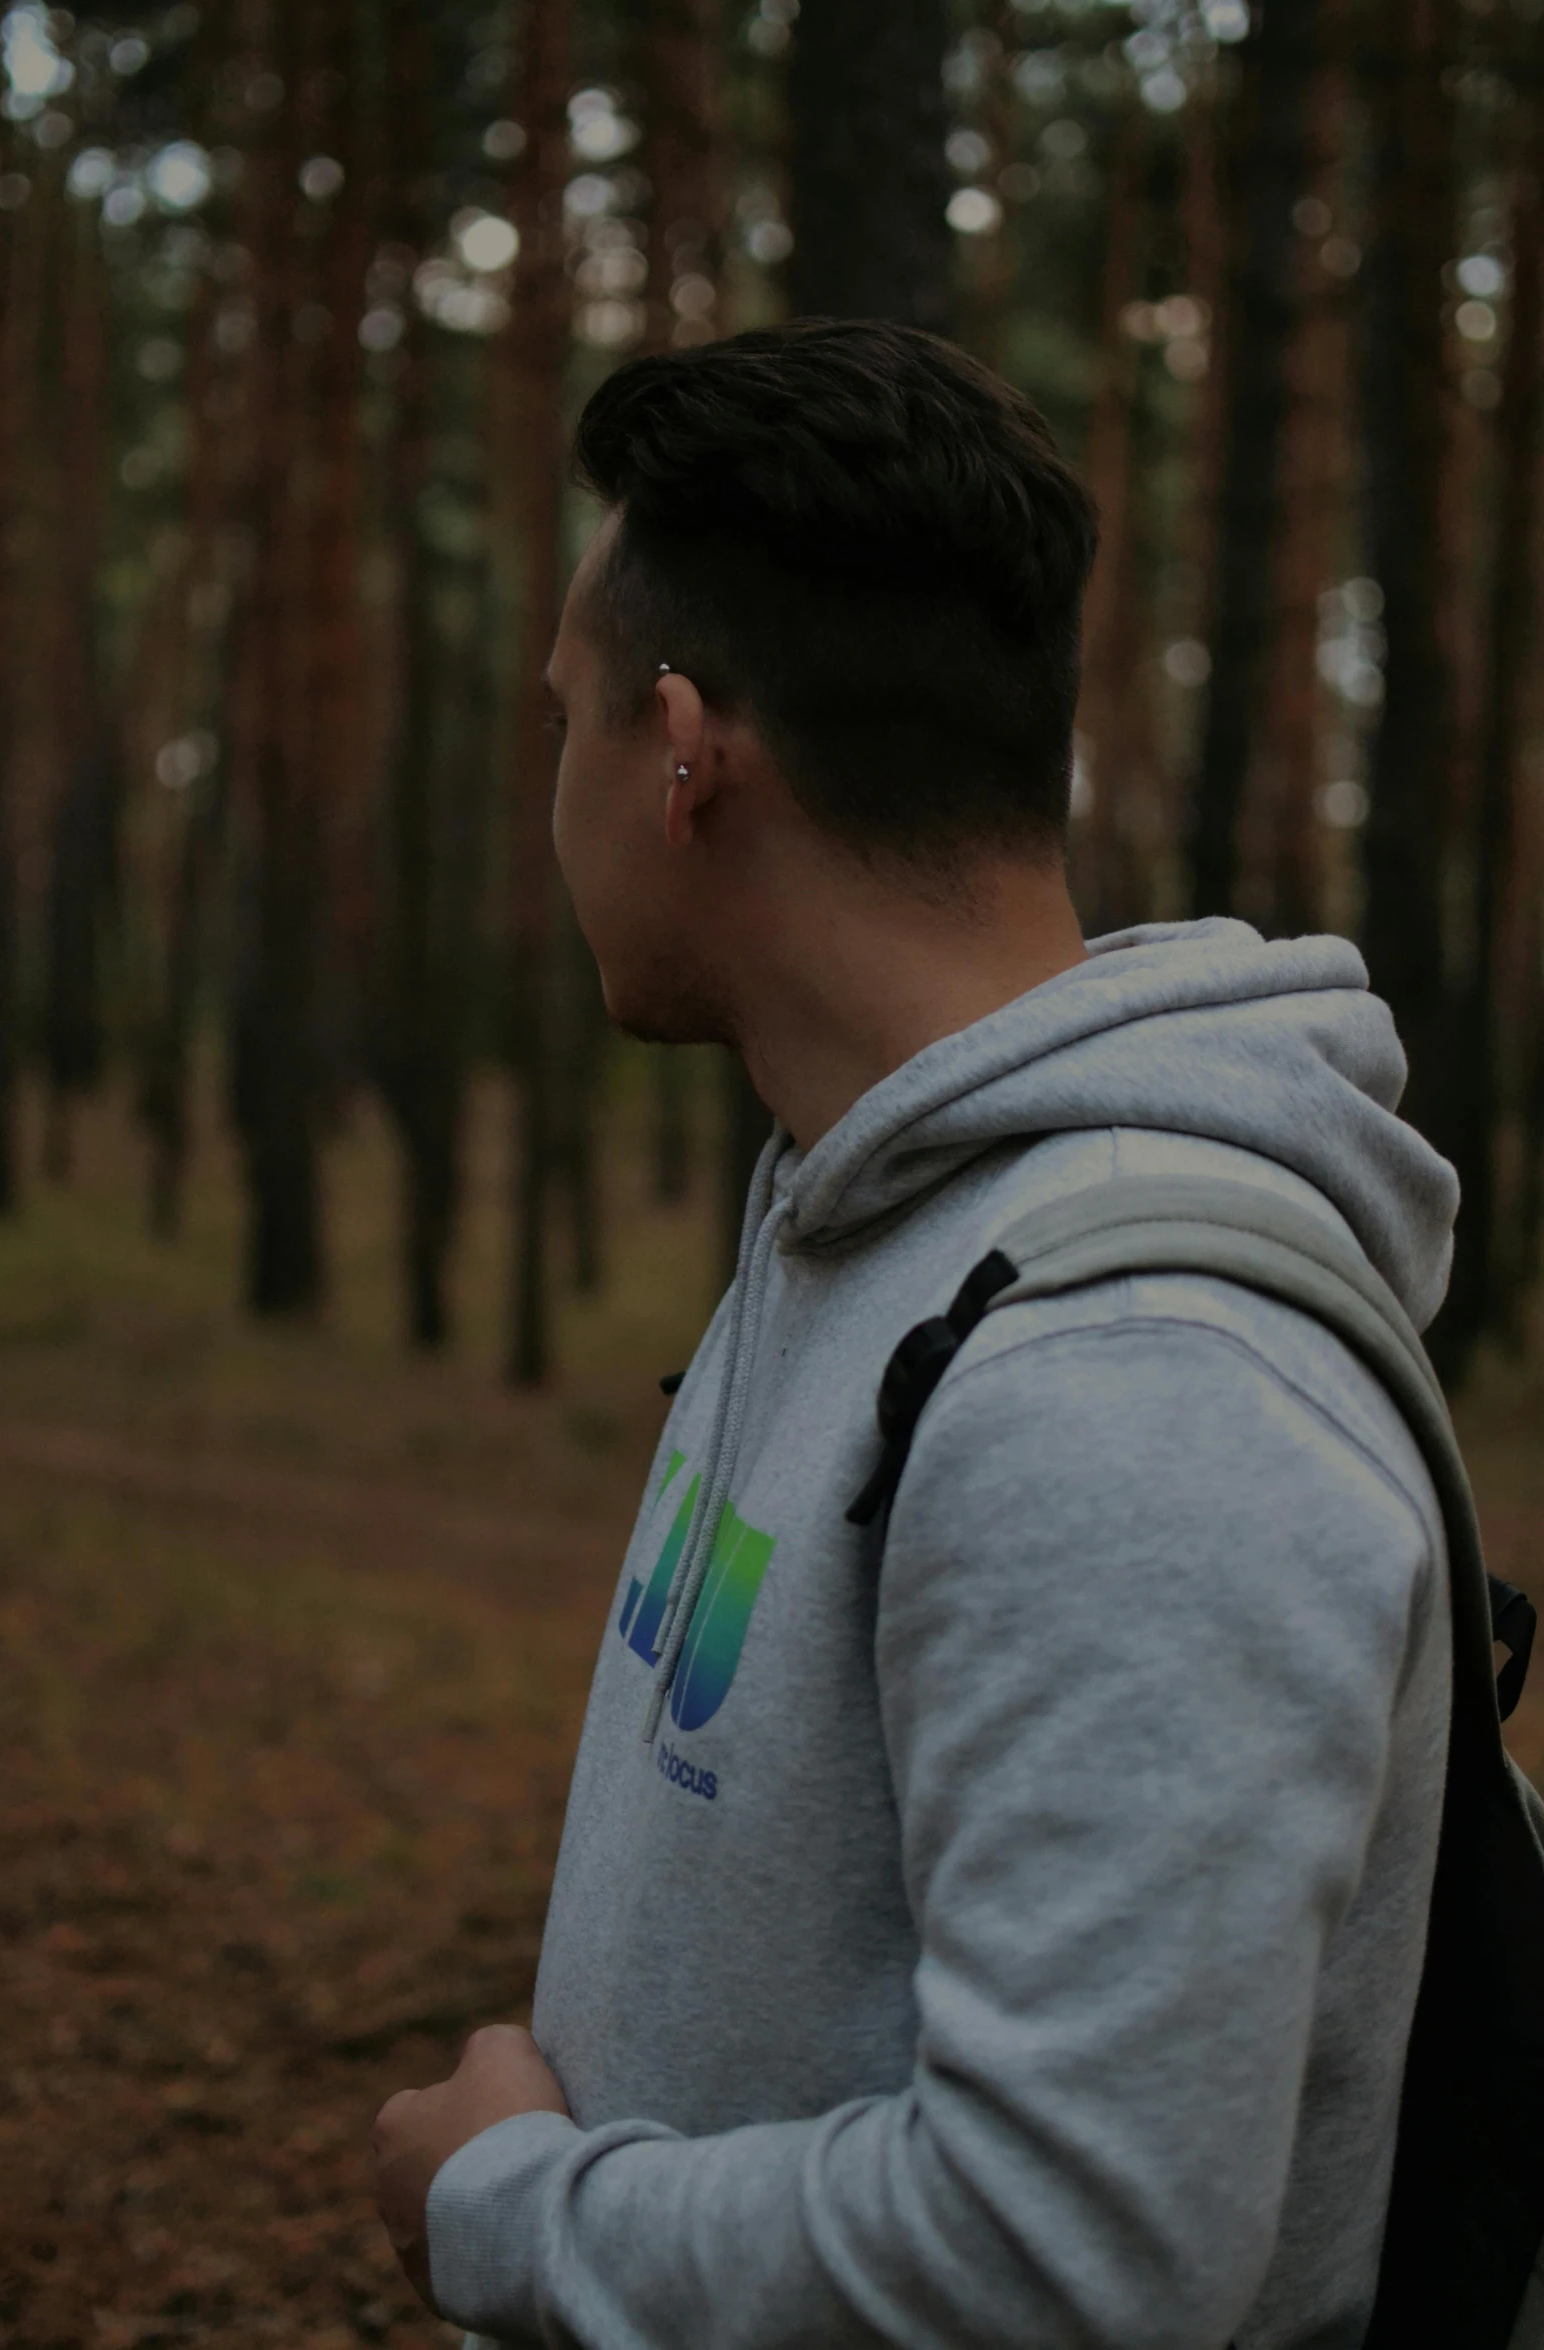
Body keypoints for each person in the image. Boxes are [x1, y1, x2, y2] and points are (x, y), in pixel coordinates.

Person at [372, 320, 1457, 2348]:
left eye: (566, 722)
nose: (553, 795)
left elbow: (1075, 2262)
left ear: (683, 747)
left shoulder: (1124, 1381)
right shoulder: (860, 1207)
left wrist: (511, 2210)